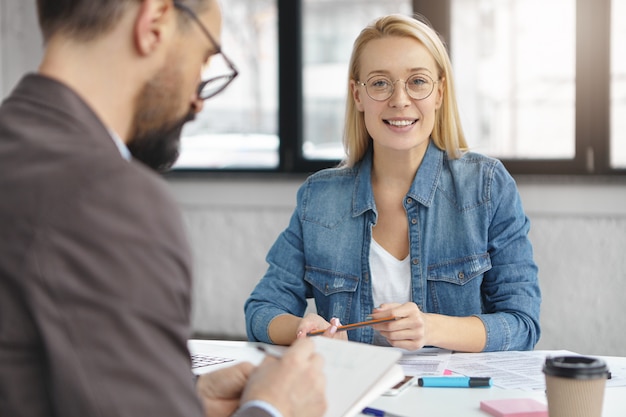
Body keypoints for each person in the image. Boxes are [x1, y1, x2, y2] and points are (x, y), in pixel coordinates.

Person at [0, 1, 326, 417]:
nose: (199, 101)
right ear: (154, 23)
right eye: (204, 58)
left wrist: (186, 399)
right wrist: (273, 408)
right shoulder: (111, 199)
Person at [245, 13, 541, 353]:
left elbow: (523, 324)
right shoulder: (319, 198)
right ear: (358, 95)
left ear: (439, 93)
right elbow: (261, 310)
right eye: (380, 83)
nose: (399, 100)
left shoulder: (487, 187)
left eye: (417, 81)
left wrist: (430, 328)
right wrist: (303, 328)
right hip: (352, 395)